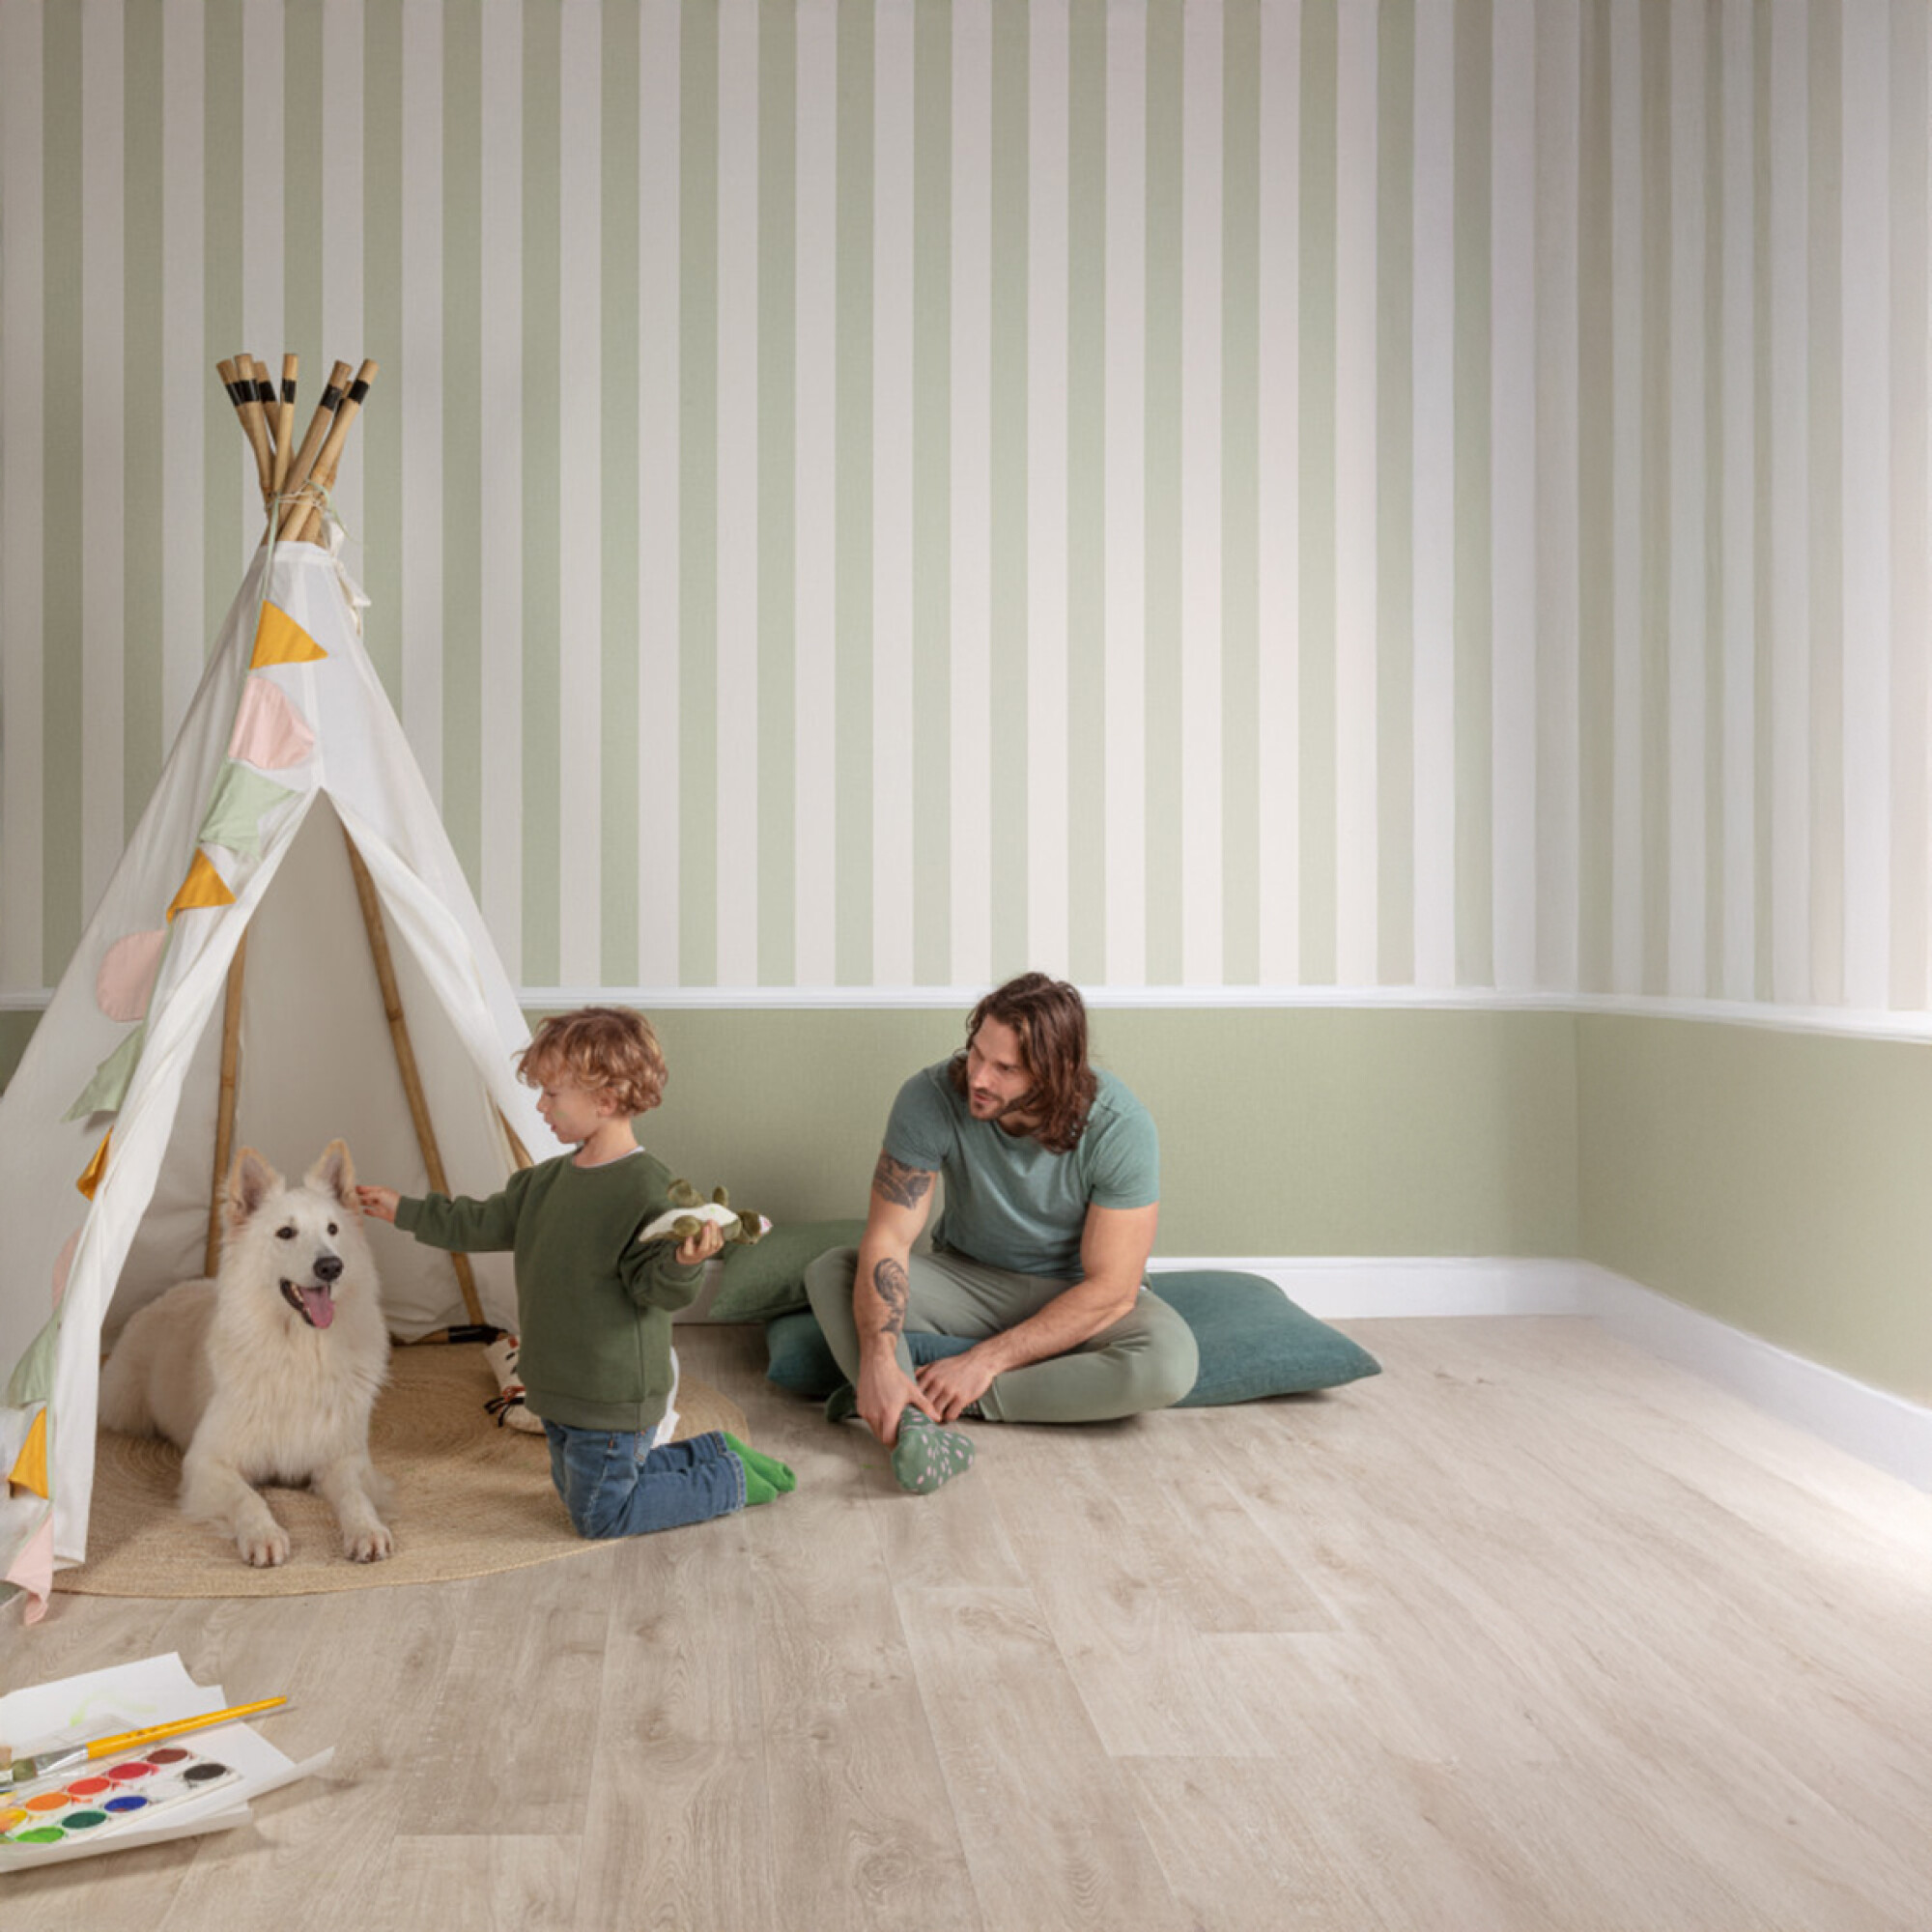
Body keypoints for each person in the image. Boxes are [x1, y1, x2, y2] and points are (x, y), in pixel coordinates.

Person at [355, 1005, 794, 1537]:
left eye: (551, 1094)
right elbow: (476, 1222)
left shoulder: (648, 1190)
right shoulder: (543, 1184)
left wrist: (685, 1261)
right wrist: (403, 1210)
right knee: (579, 1491)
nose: (541, 1105)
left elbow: (657, 1289)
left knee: (599, 1515)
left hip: (611, 1395)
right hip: (557, 1385)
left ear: (604, 1100)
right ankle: (713, 1451)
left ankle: (729, 1479)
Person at [805, 972, 1197, 1494]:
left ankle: (938, 1402)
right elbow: (889, 1240)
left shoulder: (1119, 1126)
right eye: (976, 1053)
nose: (979, 1078)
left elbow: (1113, 1290)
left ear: (1054, 1074)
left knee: (1170, 1364)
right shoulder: (929, 1096)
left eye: (1005, 1068)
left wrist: (981, 1364)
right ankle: (901, 1409)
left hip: (1074, 1293)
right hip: (969, 1280)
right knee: (833, 1271)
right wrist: (877, 1358)